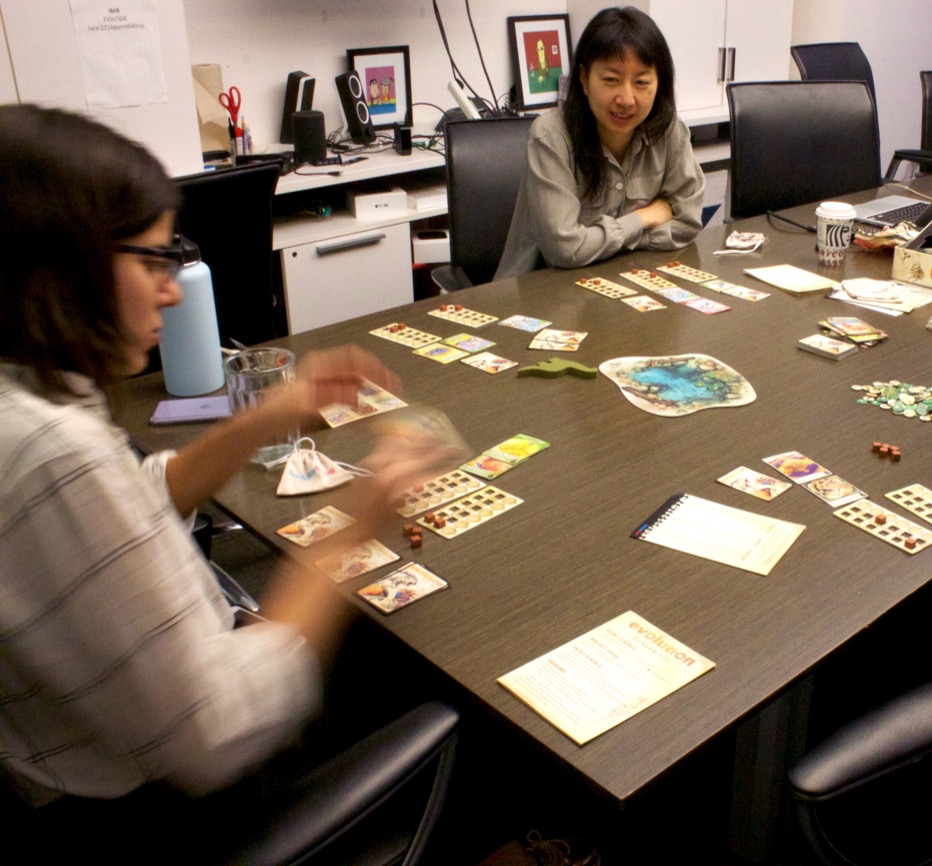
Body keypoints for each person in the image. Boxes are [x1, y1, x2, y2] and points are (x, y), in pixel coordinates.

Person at [0, 105, 459, 824]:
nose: (173, 287)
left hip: (108, 737)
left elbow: (130, 504)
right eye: (153, 259)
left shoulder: (25, 392)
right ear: (67, 266)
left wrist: (266, 418)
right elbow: (216, 733)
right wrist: (355, 531)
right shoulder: (55, 455)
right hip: (165, 809)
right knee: (438, 670)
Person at [495, 6, 705, 279]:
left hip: (625, 282)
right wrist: (643, 219)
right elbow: (564, 250)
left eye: (641, 82)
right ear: (583, 78)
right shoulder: (550, 136)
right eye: (611, 80)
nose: (627, 99)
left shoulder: (670, 132)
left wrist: (609, 242)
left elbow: (688, 222)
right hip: (541, 291)